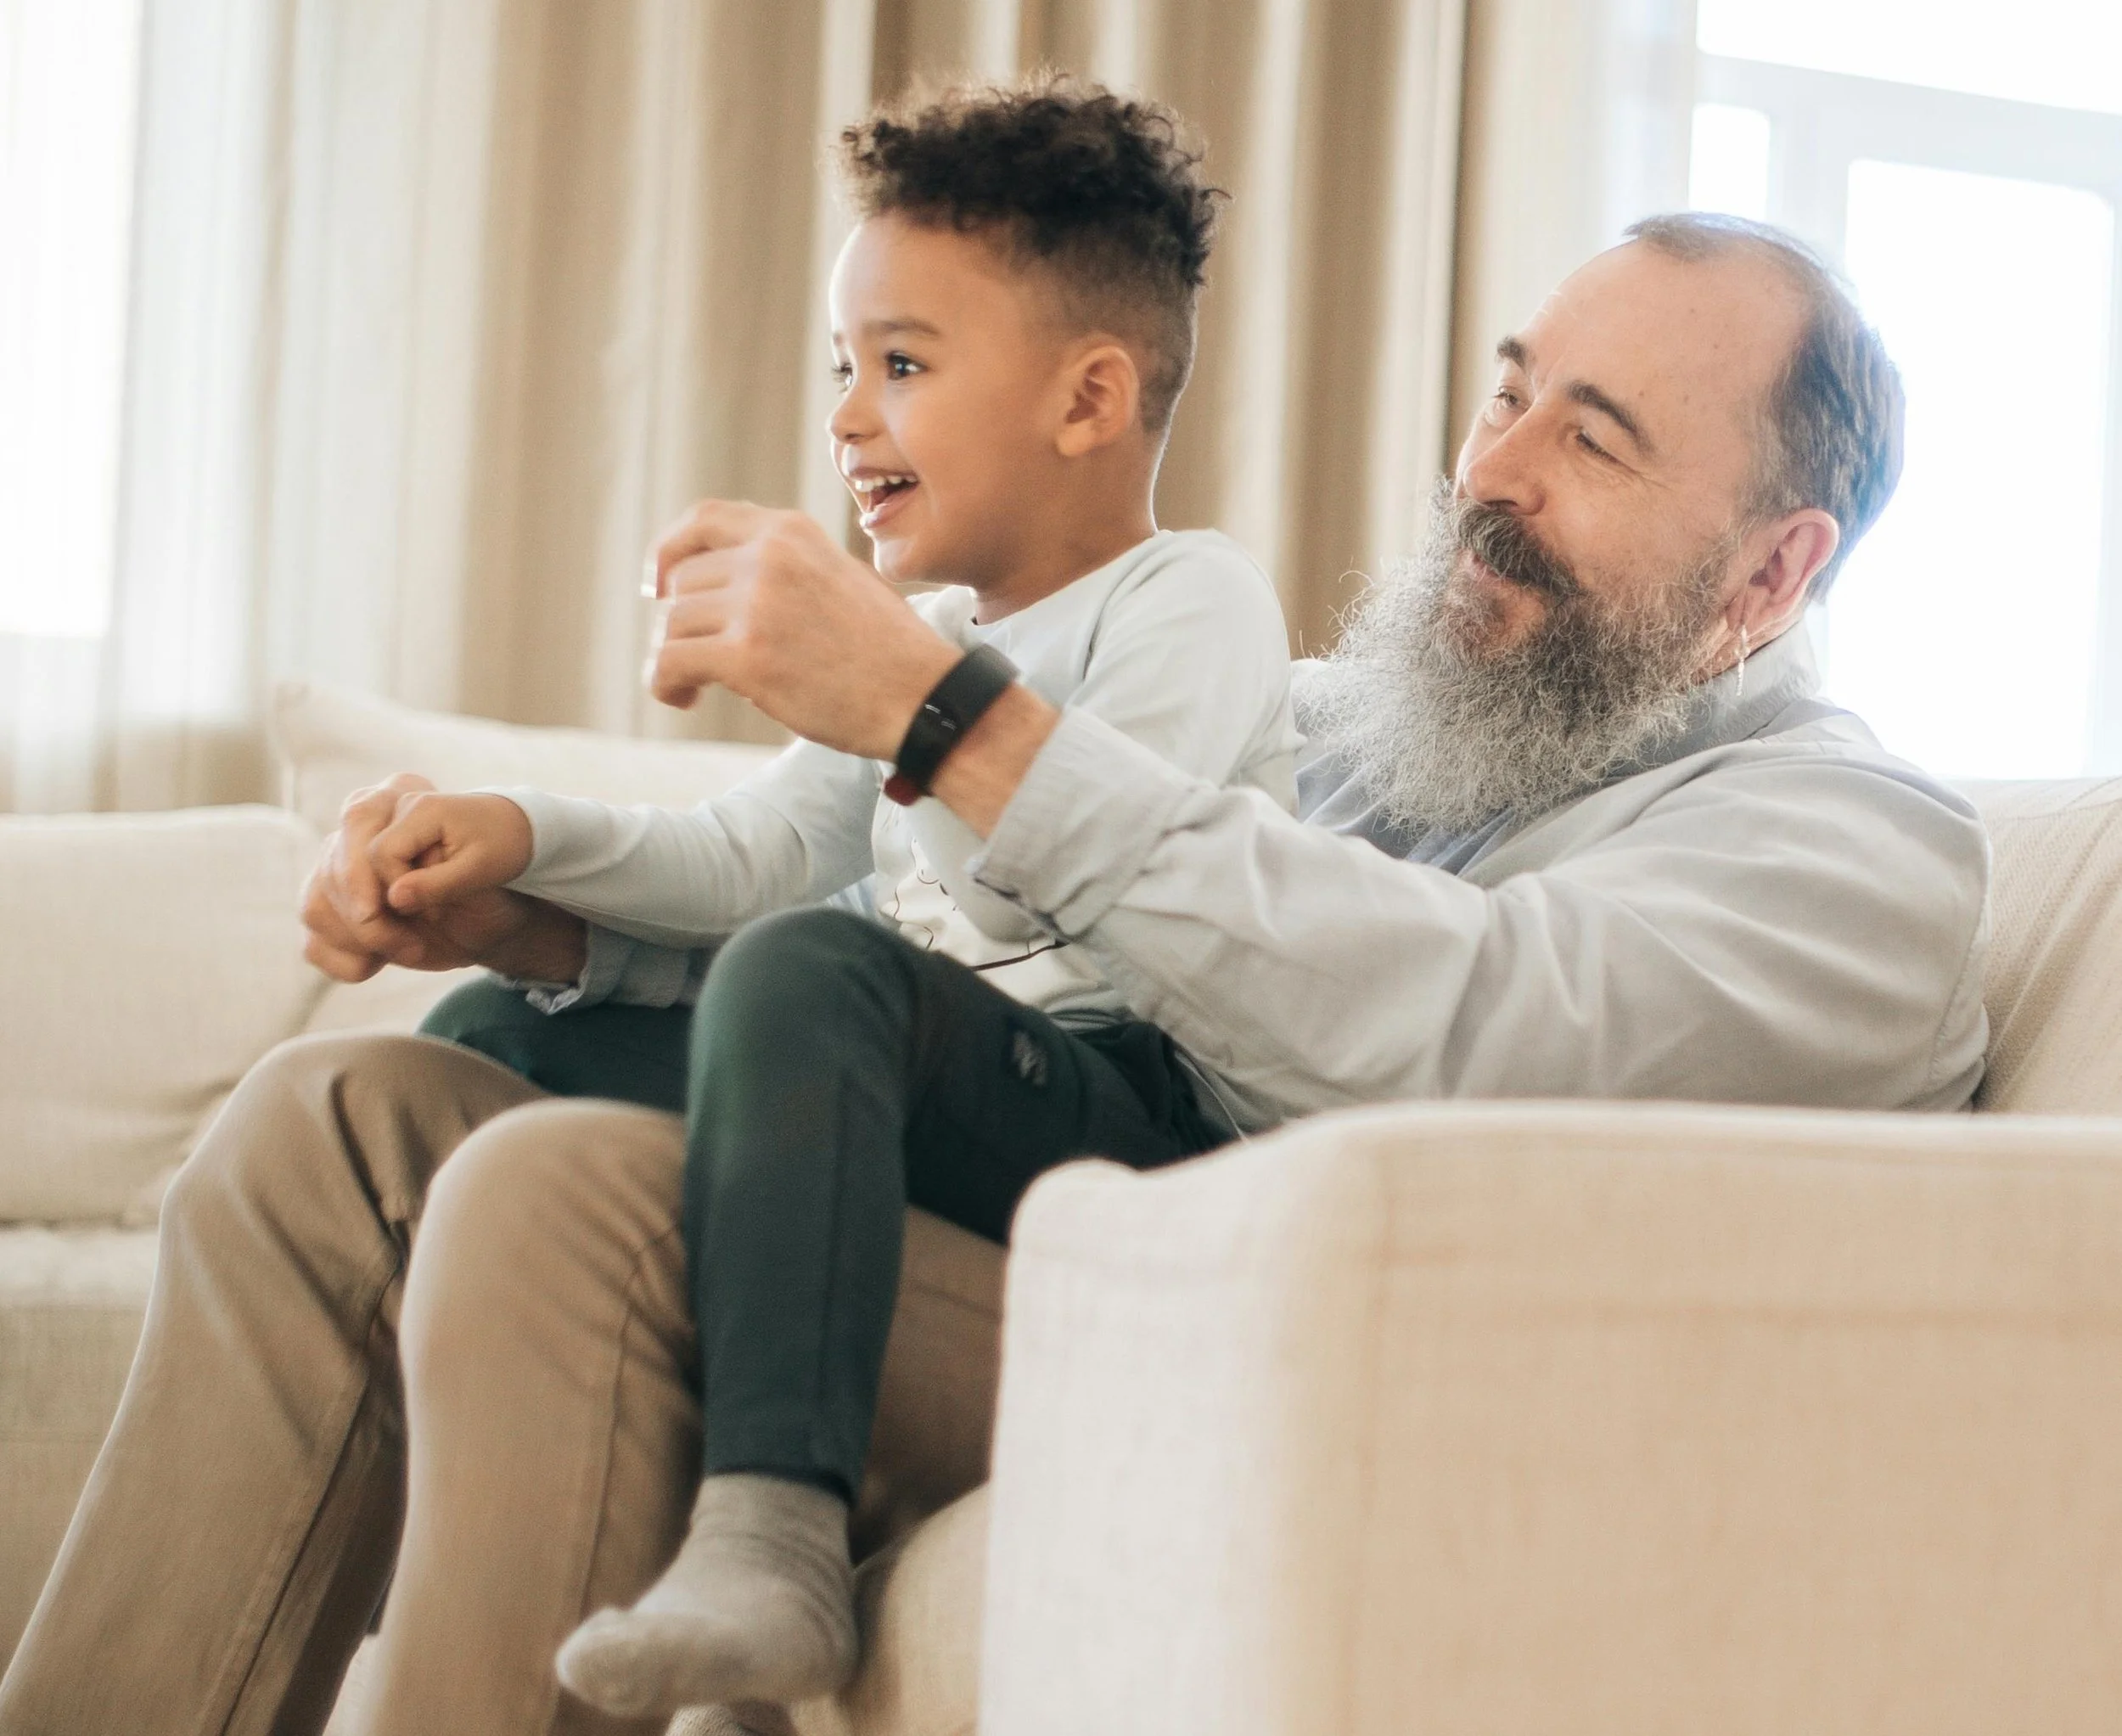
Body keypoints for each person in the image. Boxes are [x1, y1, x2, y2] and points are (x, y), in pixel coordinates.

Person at [0, 212, 1987, 1736]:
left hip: (1274, 1343)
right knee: (337, 1119)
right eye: (1506, 389)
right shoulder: (1347, 729)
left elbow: (1462, 1029)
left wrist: (950, 710)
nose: (1495, 464)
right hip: (1061, 1230)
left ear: (1763, 576)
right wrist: (535, 911)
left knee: (566, 1199)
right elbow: (882, 887)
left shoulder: (1851, 851)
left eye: (1594, 436)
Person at [354, 79, 1290, 1721]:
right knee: (489, 1028)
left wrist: (904, 700)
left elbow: (1111, 888)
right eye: (842, 369)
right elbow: (751, 854)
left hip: (1103, 1120)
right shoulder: (918, 620)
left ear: (1089, 398)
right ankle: (441, 1458)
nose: (851, 417)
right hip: (905, 1090)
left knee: (809, 971)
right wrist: (518, 834)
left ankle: (773, 1530)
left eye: (903, 367)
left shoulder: (1189, 599)